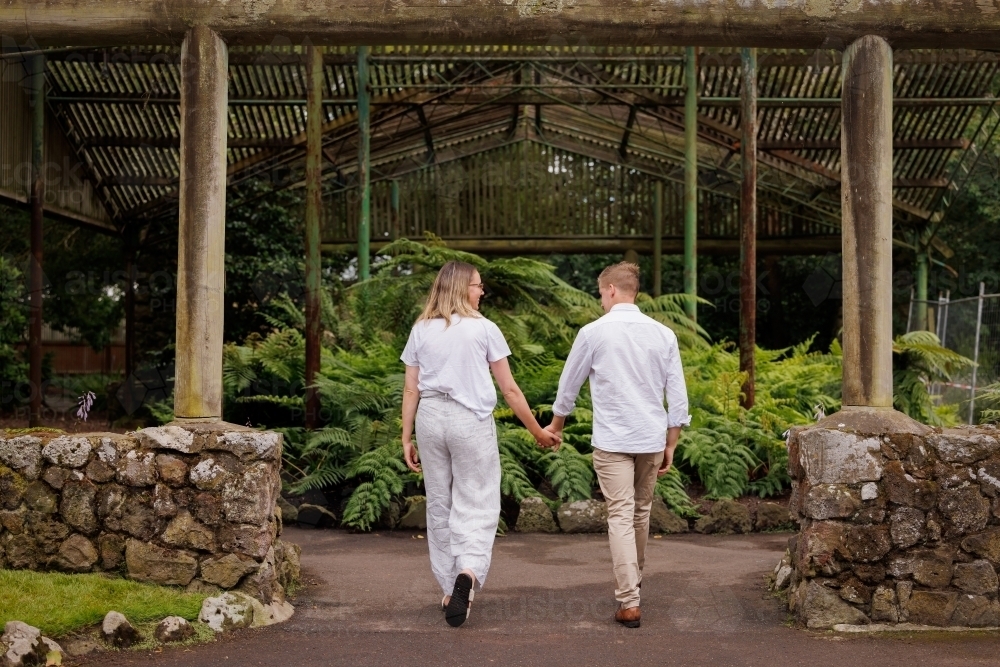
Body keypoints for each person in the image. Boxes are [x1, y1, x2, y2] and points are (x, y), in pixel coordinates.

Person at [400, 260, 560, 628]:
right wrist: (538, 431)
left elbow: (411, 388)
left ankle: (447, 587)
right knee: (479, 500)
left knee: (440, 503)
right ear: (460, 288)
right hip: (469, 421)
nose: (481, 291)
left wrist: (406, 436)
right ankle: (468, 572)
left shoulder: (421, 329)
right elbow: (510, 389)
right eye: (477, 285)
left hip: (429, 419)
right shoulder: (484, 329)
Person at [544, 262, 689, 629]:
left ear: (610, 289)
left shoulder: (593, 333)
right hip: (651, 437)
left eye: (599, 293)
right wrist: (672, 442)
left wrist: (556, 425)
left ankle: (629, 601)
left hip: (613, 440)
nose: (600, 299)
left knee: (621, 515)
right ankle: (632, 588)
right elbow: (679, 396)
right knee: (640, 512)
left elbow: (568, 386)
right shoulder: (663, 334)